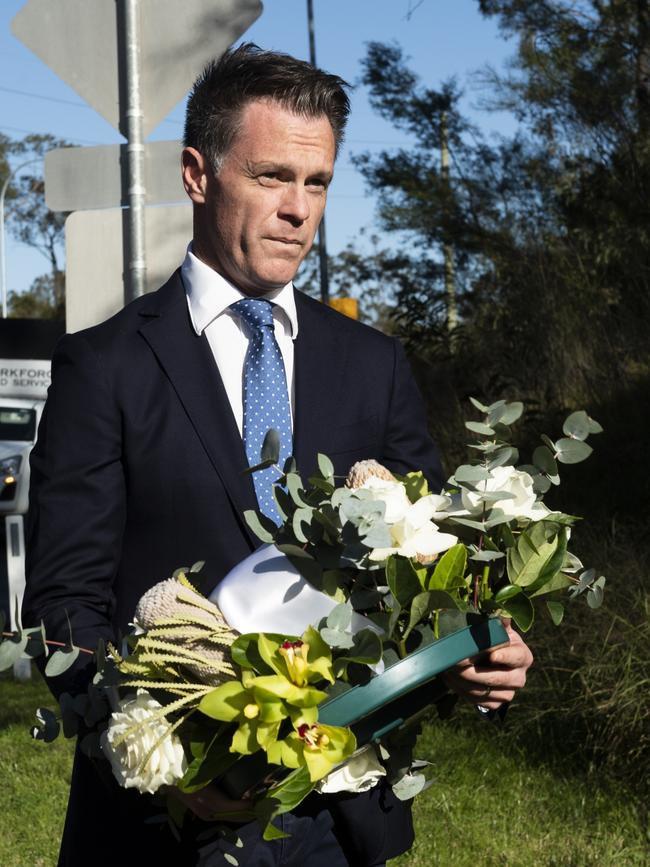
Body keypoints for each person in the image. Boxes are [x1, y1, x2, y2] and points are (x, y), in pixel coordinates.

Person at [23, 44, 533, 867]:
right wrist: (169, 747)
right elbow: (63, 606)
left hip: (342, 822)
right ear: (198, 174)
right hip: (161, 827)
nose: (299, 208)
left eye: (318, 182)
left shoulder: (373, 364)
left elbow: (439, 569)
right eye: (271, 176)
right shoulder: (106, 366)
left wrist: (484, 646)